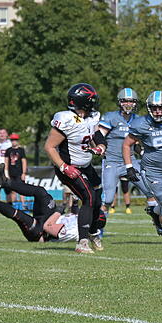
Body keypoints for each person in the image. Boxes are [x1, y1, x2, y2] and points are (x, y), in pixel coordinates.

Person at [44, 83, 105, 254]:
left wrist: (100, 146)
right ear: (83, 101)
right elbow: (49, 147)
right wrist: (64, 167)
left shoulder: (91, 117)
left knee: (97, 201)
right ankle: (82, 242)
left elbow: (95, 134)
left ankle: (92, 233)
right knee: (89, 197)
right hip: (69, 167)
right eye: (91, 100)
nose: (94, 103)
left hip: (86, 165)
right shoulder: (66, 119)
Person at [123, 91, 162, 244]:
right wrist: (129, 167)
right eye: (154, 108)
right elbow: (126, 144)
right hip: (153, 173)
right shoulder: (141, 123)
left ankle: (155, 211)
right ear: (148, 108)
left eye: (161, 108)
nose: (158, 112)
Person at [0, 183, 91, 243]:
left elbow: (48, 227)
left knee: (19, 215)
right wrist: (75, 202)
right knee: (40, 191)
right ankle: (4, 182)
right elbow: (76, 215)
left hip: (41, 233)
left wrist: (58, 211)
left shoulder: (75, 232)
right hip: (49, 216)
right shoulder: (84, 221)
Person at [98, 87, 140, 215]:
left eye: (131, 101)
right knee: (108, 198)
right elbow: (99, 136)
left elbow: (139, 142)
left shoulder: (138, 120)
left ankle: (160, 222)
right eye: (125, 101)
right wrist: (100, 147)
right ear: (119, 102)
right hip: (112, 161)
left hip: (131, 161)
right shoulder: (111, 117)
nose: (128, 104)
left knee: (150, 188)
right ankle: (96, 228)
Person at [3, 133, 27, 208]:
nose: (14, 142)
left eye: (15, 140)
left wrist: (24, 173)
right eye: (12, 140)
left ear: (17, 141)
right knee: (12, 190)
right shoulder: (8, 150)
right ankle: (14, 205)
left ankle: (23, 204)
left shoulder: (21, 150)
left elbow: (24, 161)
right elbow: (6, 162)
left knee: (22, 189)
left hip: (19, 172)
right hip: (11, 173)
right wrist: (6, 173)